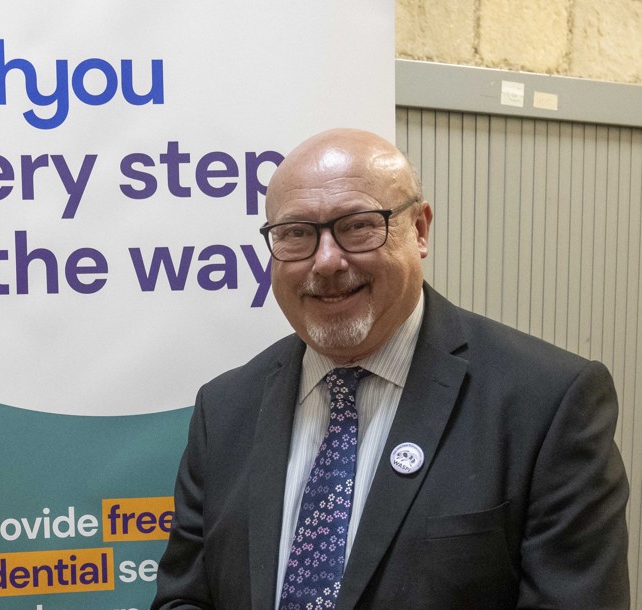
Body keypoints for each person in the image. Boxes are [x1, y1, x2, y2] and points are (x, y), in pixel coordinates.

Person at [152, 128, 629, 609]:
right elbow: (185, 598)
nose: (327, 261)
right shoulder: (226, 408)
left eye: (358, 225)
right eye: (296, 234)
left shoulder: (547, 403)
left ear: (419, 230)